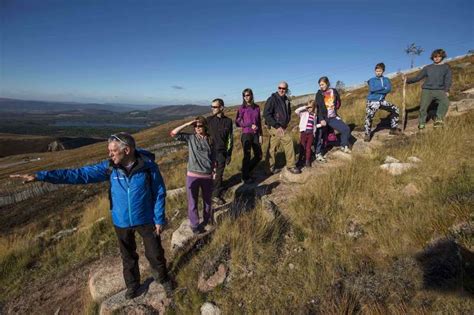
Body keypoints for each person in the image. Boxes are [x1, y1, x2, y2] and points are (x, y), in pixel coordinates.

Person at [10, 132, 172, 299]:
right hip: (121, 221)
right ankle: (133, 285)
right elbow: (78, 174)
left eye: (113, 151)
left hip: (146, 218)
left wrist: (159, 218)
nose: (109, 154)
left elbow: (159, 192)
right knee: (128, 257)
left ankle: (163, 279)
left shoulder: (148, 167)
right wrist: (40, 176)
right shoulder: (110, 168)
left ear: (127, 150)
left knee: (155, 253)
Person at [170, 117, 214, 234]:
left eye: (199, 126)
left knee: (207, 201)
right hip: (192, 175)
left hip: (207, 175)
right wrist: (188, 123)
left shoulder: (211, 139)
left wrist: (214, 170)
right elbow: (173, 133)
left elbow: (214, 156)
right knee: (192, 201)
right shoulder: (191, 138)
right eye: (195, 126)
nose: (197, 128)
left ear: (205, 126)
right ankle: (195, 225)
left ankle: (207, 220)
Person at [403, 48, 452, 129]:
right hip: (427, 90)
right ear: (432, 57)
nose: (437, 58)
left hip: (439, 90)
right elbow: (418, 77)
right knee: (423, 107)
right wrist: (407, 80)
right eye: (435, 56)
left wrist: (446, 90)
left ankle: (439, 120)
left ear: (442, 57)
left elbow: (448, 80)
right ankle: (422, 123)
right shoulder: (427, 68)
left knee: (445, 102)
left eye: (439, 56)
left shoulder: (446, 67)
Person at [263, 81, 301, 174]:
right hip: (274, 126)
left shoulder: (286, 100)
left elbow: (288, 113)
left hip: (281, 126)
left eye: (283, 88)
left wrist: (285, 124)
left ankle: (269, 169)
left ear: (286, 89)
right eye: (279, 88)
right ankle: (291, 166)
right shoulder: (272, 99)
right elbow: (266, 114)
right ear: (277, 88)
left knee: (273, 147)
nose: (281, 90)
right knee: (288, 141)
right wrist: (277, 126)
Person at [365, 62, 401, 142]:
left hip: (381, 101)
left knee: (395, 109)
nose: (378, 72)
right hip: (372, 101)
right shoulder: (371, 80)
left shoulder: (386, 80)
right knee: (369, 117)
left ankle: (393, 129)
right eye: (377, 71)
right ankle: (367, 134)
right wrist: (383, 88)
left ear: (383, 71)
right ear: (375, 71)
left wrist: (382, 90)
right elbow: (372, 89)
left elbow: (388, 89)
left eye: (380, 71)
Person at [206, 98, 233, 205]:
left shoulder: (228, 121)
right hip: (209, 152)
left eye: (215, 107)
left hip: (221, 152)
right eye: (211, 106)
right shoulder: (208, 120)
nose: (212, 109)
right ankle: (207, 191)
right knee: (209, 173)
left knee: (219, 174)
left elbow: (230, 139)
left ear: (221, 108)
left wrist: (229, 154)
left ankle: (215, 195)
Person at [315, 76, 352, 153]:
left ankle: (343, 145)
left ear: (327, 83)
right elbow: (318, 108)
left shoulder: (334, 91)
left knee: (346, 129)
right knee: (320, 137)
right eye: (320, 85)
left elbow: (338, 101)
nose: (321, 86)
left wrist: (335, 108)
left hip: (333, 117)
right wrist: (321, 119)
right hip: (324, 118)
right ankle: (318, 153)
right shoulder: (319, 94)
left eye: (322, 84)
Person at [235, 88, 263, 184]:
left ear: (251, 95)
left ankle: (245, 171)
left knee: (259, 155)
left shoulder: (257, 107)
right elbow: (237, 122)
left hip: (255, 134)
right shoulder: (242, 108)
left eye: (248, 95)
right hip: (246, 134)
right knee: (247, 156)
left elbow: (259, 122)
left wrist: (260, 135)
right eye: (244, 95)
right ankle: (245, 177)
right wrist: (249, 124)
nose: (246, 97)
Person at [295, 100, 322, 167]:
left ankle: (307, 161)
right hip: (303, 133)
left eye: (311, 107)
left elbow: (314, 126)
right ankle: (300, 160)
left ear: (313, 107)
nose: (309, 108)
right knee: (302, 147)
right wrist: (305, 107)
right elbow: (296, 111)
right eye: (308, 107)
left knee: (308, 148)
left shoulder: (314, 116)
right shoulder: (303, 113)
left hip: (311, 134)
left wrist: (321, 125)